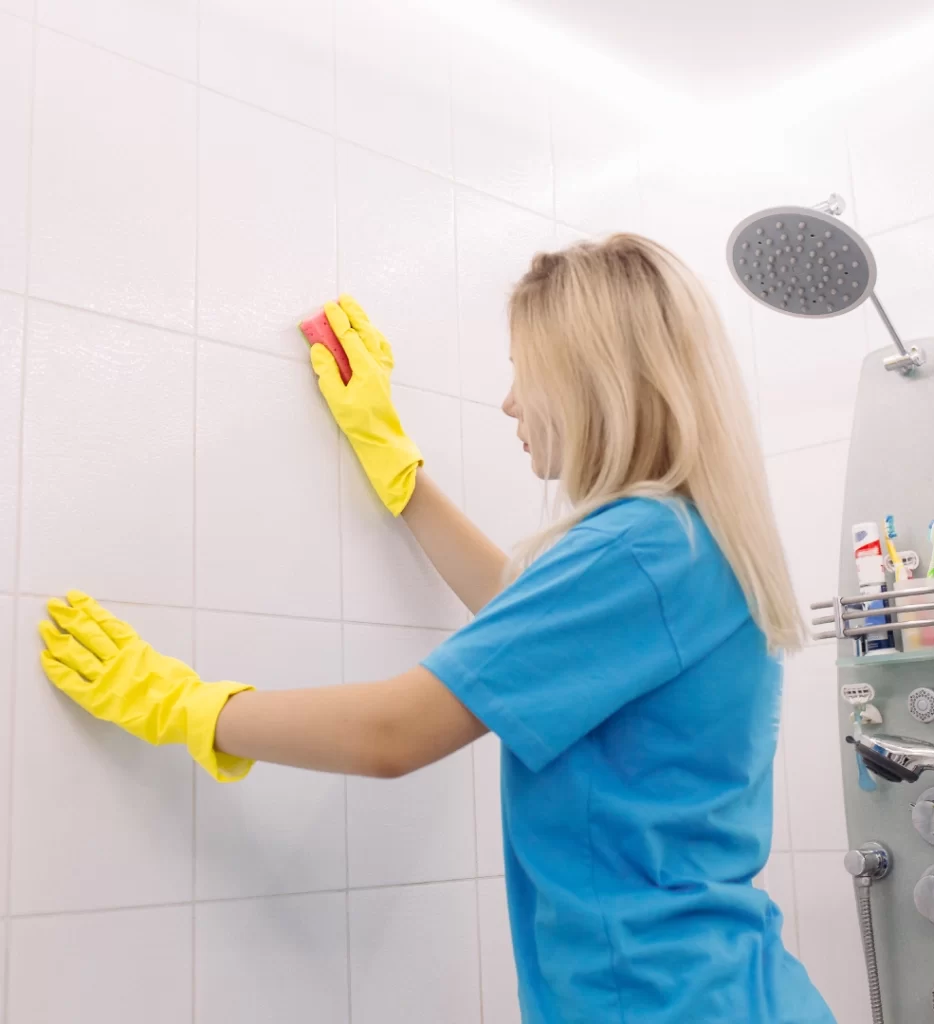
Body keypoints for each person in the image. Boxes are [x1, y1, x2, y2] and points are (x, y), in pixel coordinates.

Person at [38, 234, 835, 1023]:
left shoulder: (640, 545)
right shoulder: (689, 542)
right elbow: (531, 634)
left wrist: (179, 703)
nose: (511, 402)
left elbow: (394, 732)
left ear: (593, 381)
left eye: (526, 375)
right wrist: (399, 470)